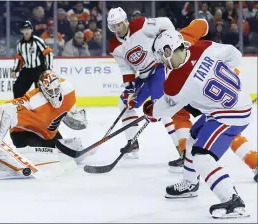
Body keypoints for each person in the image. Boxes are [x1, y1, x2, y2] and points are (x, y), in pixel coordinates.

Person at [144, 30, 252, 218]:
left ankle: (233, 201)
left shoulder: (176, 83)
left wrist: (149, 111)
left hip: (229, 115)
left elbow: (162, 110)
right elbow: (234, 54)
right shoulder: (203, 47)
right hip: (236, 103)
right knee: (193, 137)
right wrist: (230, 73)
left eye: (162, 55)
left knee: (202, 157)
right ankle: (190, 182)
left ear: (169, 50)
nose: (161, 61)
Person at [107, 7, 189, 161]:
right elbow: (125, 67)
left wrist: (170, 44)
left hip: (159, 69)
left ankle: (182, 150)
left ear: (125, 21)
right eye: (113, 26)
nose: (117, 29)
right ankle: (133, 143)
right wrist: (130, 89)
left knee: (162, 107)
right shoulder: (114, 45)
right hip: (144, 76)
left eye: (119, 24)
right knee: (124, 104)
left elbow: (165, 23)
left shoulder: (141, 24)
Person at [0, 70, 88, 180]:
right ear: (42, 90)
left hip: (47, 133)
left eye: (56, 90)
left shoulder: (68, 90)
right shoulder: (33, 101)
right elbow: (6, 108)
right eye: (50, 91)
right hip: (24, 134)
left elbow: (69, 114)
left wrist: (78, 120)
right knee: (39, 158)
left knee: (62, 156)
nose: (54, 95)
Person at [11, 21, 53, 98]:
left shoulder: (37, 41)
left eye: (28, 29)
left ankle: (42, 109)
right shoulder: (20, 44)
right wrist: (14, 70)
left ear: (32, 30)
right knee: (17, 89)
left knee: (41, 91)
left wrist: (49, 69)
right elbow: (19, 59)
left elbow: (48, 53)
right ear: (21, 31)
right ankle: (20, 107)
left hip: (39, 69)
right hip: (27, 70)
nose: (26, 31)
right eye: (24, 29)